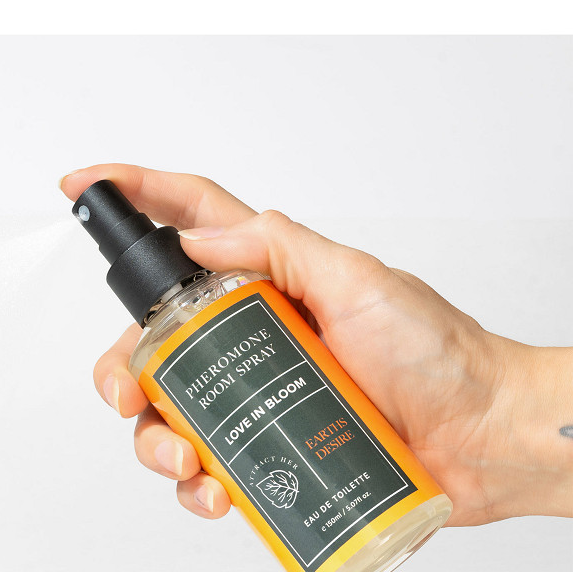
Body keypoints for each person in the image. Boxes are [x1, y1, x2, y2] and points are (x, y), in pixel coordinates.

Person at [60, 164, 573, 526]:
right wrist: (492, 419)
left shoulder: (246, 283)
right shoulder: (153, 353)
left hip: (395, 482)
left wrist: (490, 410)